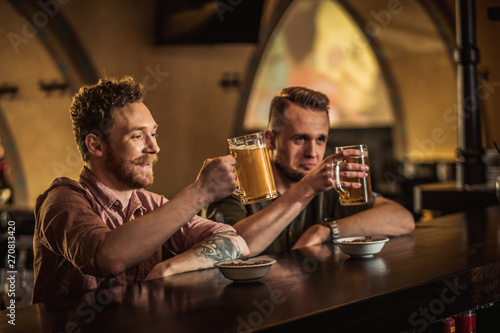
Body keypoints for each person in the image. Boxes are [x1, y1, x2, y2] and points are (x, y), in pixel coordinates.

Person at [32, 76, 249, 304]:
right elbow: (110, 257)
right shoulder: (62, 200)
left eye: (153, 134)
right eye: (137, 136)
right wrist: (201, 192)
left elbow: (235, 242)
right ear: (95, 145)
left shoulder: (150, 204)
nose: (155, 147)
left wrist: (169, 269)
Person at [202, 87, 414, 256]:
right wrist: (307, 188)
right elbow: (229, 249)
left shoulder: (329, 186)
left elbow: (403, 219)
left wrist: (326, 230)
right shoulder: (230, 185)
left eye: (320, 139)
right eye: (300, 139)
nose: (312, 153)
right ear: (271, 140)